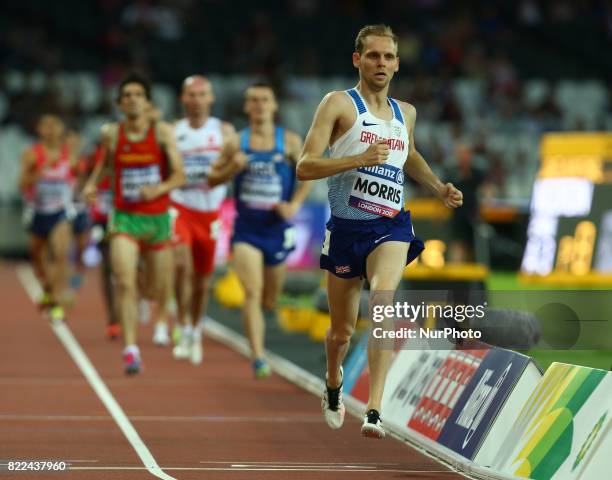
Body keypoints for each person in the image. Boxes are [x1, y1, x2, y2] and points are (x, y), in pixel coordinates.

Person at [297, 24, 463, 438]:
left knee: (385, 302)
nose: (381, 64)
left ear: (398, 64)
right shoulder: (338, 105)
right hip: (346, 231)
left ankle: (373, 409)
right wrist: (355, 160)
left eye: (388, 57)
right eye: (373, 56)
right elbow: (305, 166)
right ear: (358, 59)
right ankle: (333, 383)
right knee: (341, 332)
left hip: (390, 225)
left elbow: (409, 154)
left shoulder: (406, 112)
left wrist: (438, 186)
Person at [83, 74, 185, 375]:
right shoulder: (113, 135)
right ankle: (131, 349)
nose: (132, 99)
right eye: (127, 95)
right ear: (119, 103)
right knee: (124, 280)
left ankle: (155, 305)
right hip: (124, 217)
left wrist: (157, 189)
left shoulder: (163, 133)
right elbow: (105, 165)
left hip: (156, 219)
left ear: (148, 102)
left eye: (138, 94)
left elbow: (179, 175)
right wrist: (92, 184)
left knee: (156, 287)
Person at [209, 83, 311, 378]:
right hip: (246, 230)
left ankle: (265, 317)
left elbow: (309, 174)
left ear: (274, 105)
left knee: (269, 298)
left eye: (264, 99)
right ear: (246, 107)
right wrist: (231, 170)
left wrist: (294, 205)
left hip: (276, 229)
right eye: (252, 100)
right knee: (251, 292)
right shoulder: (236, 143)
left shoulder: (290, 141)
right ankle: (258, 355)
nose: (258, 105)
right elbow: (212, 178)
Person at [170, 75, 236, 365]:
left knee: (201, 281)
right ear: (183, 99)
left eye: (202, 95)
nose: (196, 100)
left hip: (210, 212)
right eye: (191, 95)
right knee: (181, 265)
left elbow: (235, 165)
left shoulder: (224, 131)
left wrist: (219, 174)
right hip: (180, 207)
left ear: (211, 99)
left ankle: (195, 329)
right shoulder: (173, 132)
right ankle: (182, 325)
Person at [19, 113, 76, 323]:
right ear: (40, 130)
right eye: (46, 125)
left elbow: (77, 176)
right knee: (38, 261)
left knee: (61, 255)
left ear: (61, 129)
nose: (51, 129)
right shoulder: (32, 154)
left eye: (55, 125)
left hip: (60, 212)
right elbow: (21, 184)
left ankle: (57, 300)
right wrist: (40, 171)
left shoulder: (68, 153)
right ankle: (47, 288)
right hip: (37, 212)